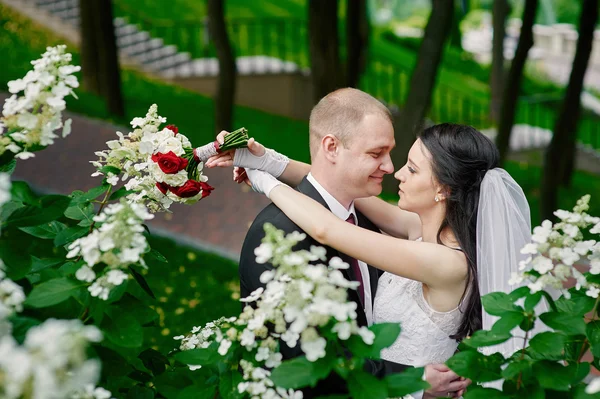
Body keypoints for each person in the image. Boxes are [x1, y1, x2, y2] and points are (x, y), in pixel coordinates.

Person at [204, 88, 473, 398]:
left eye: (409, 167)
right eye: (376, 153)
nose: (391, 168)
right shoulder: (280, 235)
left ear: (445, 189)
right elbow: (306, 362)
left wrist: (265, 179)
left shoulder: (372, 224)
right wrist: (270, 163)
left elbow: (327, 229)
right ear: (331, 147)